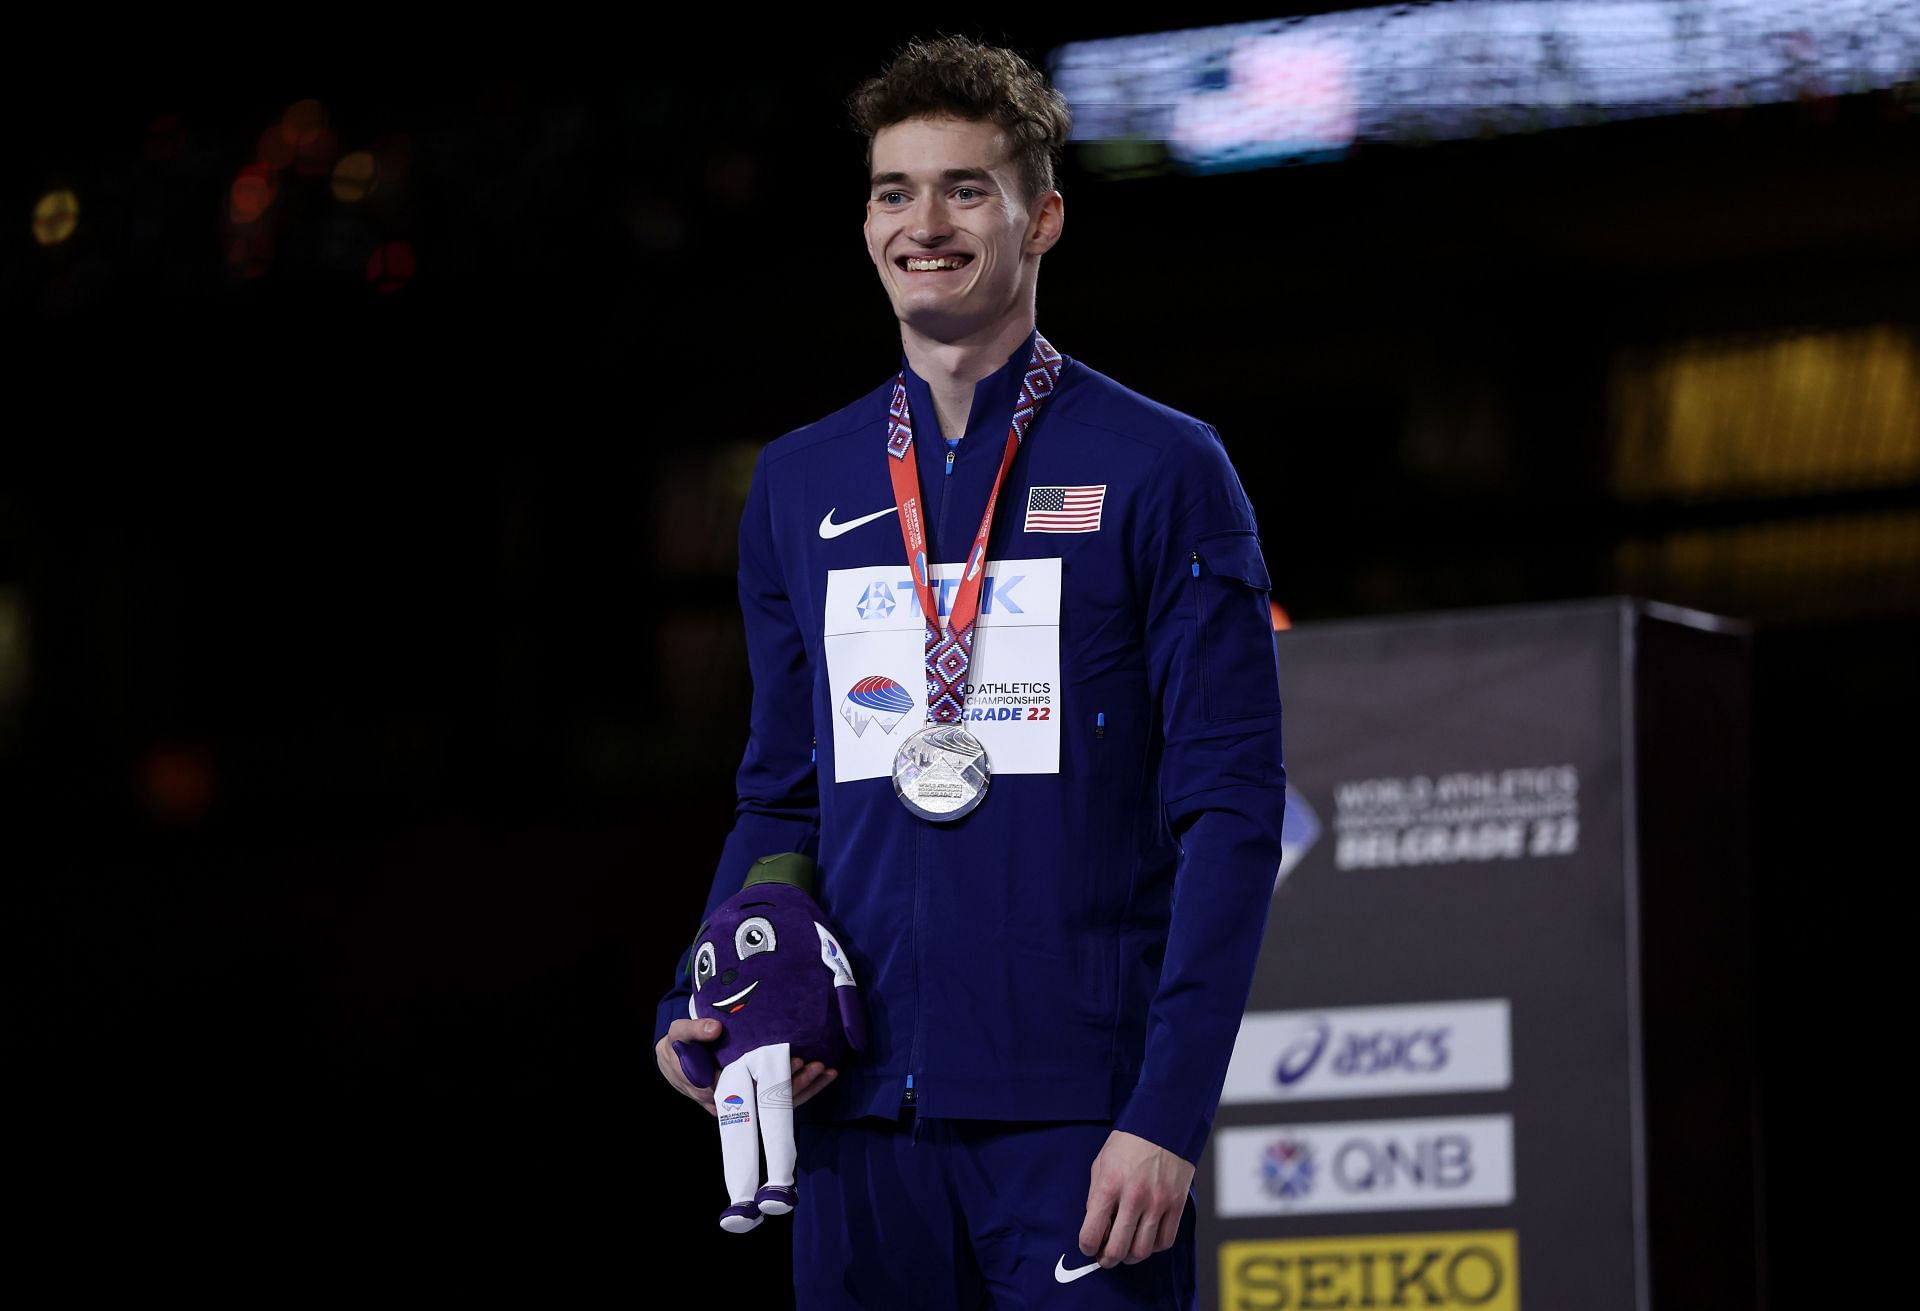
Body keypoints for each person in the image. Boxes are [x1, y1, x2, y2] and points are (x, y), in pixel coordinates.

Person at [652, 35, 1286, 1310]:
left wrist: (1167, 1113)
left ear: (1041, 215)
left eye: (965, 188)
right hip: (856, 1124)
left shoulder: (1163, 468)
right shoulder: (801, 482)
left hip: (1080, 1126)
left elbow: (1233, 811)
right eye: (895, 190)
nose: (923, 223)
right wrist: (706, 990)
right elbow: (782, 794)